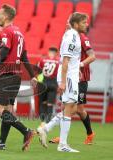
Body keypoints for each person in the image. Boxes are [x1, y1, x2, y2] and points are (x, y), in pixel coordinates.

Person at [0, 4, 38, 151]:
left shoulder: (7, 32)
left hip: (6, 75)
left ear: (6, 16)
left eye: (0, 14)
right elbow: (25, 57)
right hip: (16, 76)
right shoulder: (19, 32)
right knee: (7, 110)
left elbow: (3, 53)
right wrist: (32, 76)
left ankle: (26, 131)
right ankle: (1, 143)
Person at [37, 12, 89, 152]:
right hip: (69, 78)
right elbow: (65, 60)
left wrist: (76, 68)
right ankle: (62, 145)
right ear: (76, 24)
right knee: (70, 108)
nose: (87, 24)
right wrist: (64, 81)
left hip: (71, 75)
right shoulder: (72, 36)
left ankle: (46, 128)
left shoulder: (73, 35)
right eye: (84, 22)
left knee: (70, 108)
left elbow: (70, 59)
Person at [49, 32, 96, 145]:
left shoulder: (83, 38)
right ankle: (63, 137)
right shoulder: (67, 37)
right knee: (67, 106)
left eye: (69, 23)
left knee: (76, 108)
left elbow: (92, 56)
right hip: (70, 77)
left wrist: (79, 65)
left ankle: (89, 134)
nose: (67, 26)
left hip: (81, 78)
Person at [38, 47, 59, 123]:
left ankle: (42, 120)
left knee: (43, 102)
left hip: (43, 82)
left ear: (49, 52)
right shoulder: (58, 61)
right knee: (50, 103)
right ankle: (48, 122)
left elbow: (38, 71)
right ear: (56, 53)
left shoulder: (42, 60)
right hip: (53, 83)